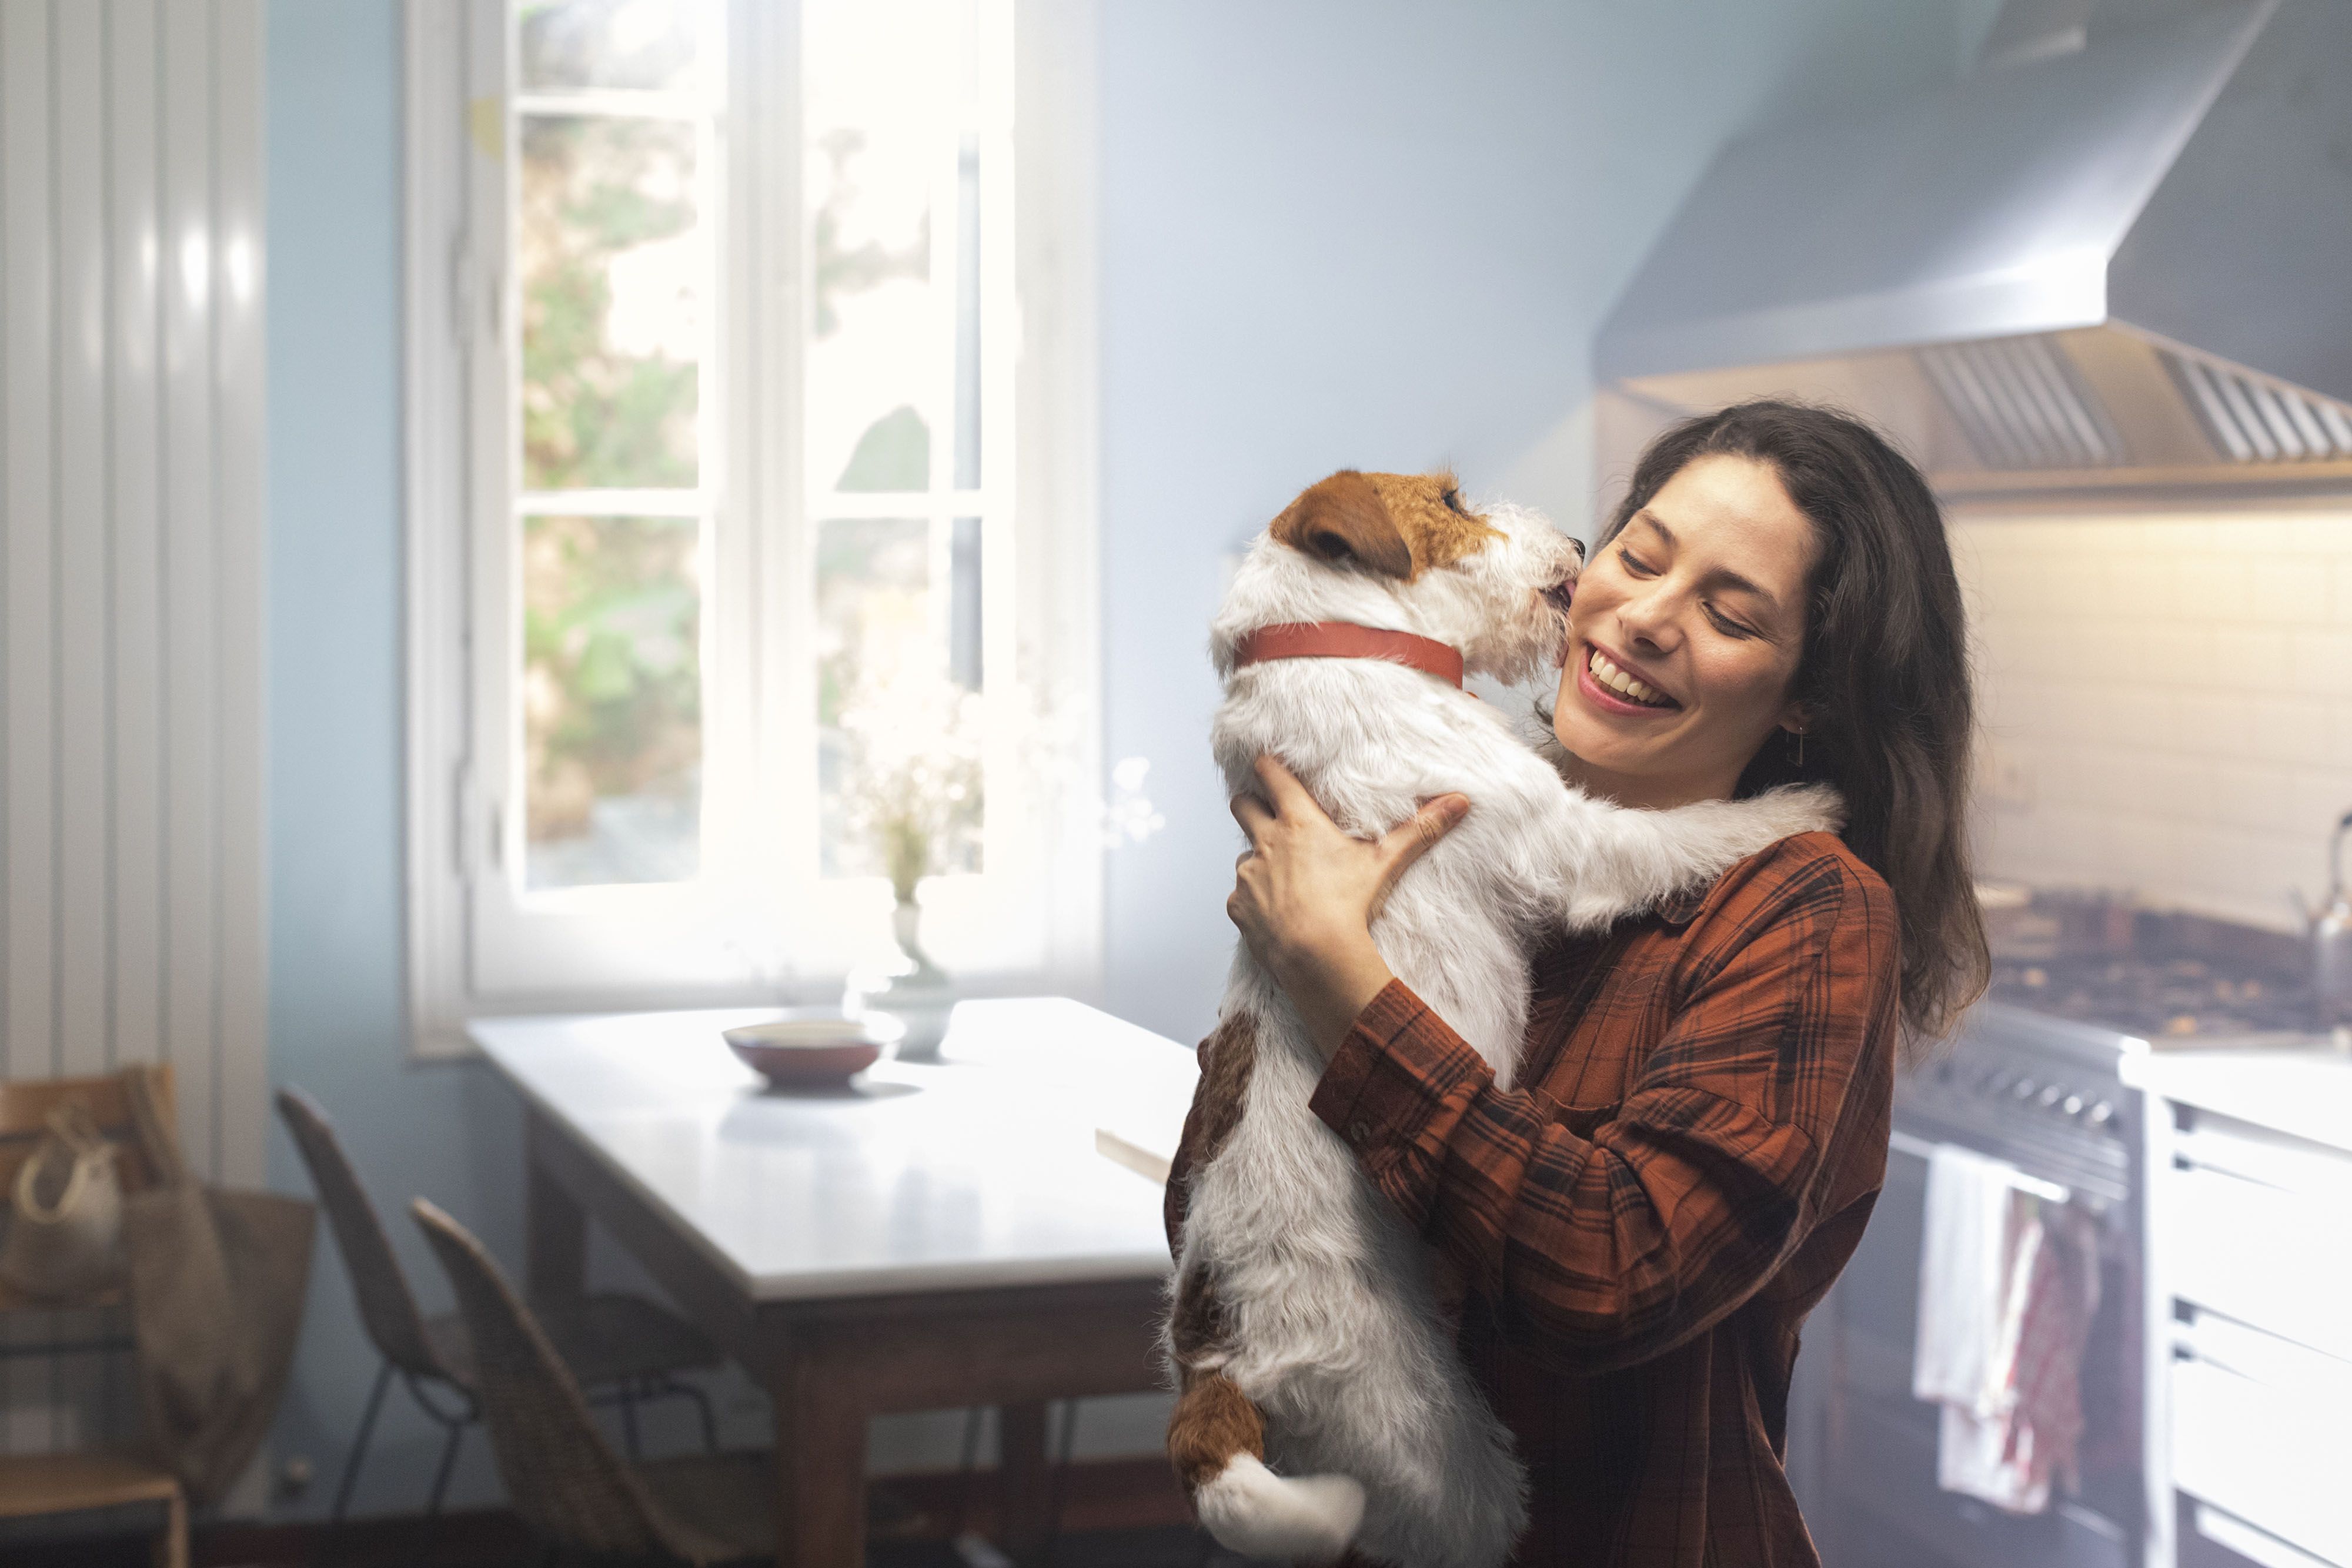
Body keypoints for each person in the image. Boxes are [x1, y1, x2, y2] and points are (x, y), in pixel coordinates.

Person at [1172, 400, 1989, 1566]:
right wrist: (1281, 993)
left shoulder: (1802, 908)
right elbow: (1216, 1218)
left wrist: (1348, 991)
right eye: (1639, 555)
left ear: (1806, 691)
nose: (1642, 616)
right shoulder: (1444, 807)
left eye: (1726, 610)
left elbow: (1611, 1275)